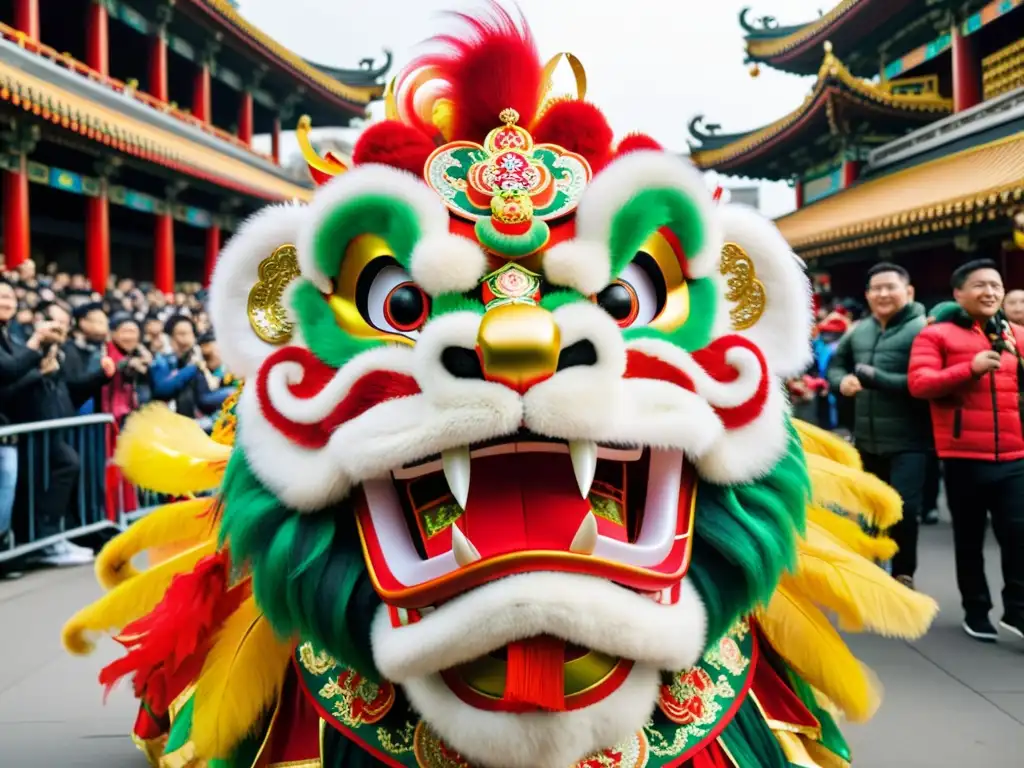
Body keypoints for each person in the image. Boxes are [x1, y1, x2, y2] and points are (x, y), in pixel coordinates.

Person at [909, 259, 1024, 642]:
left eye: (995, 285)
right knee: (970, 538)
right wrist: (969, 369)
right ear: (958, 293)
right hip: (963, 457)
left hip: (1014, 455)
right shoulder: (936, 336)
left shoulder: (1013, 334)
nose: (990, 292)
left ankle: (1018, 611)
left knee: (1018, 536)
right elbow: (921, 384)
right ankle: (977, 610)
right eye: (980, 285)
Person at [827, 263, 932, 589]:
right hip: (867, 438)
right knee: (869, 507)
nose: (883, 294)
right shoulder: (858, 330)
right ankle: (870, 567)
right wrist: (841, 380)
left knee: (903, 509)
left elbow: (924, 381)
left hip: (910, 439)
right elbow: (836, 365)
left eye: (891, 287)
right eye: (876, 289)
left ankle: (903, 573)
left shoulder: (923, 329)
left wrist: (876, 379)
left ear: (909, 292)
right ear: (868, 295)